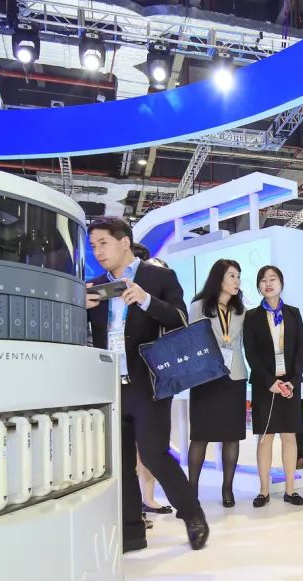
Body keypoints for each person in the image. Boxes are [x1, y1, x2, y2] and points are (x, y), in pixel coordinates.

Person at [84, 216, 208, 553]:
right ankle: (131, 532)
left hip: (148, 383)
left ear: (124, 241)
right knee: (120, 460)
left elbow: (180, 320)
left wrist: (145, 300)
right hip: (109, 385)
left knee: (154, 453)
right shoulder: (94, 286)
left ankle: (192, 513)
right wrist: (79, 307)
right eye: (93, 246)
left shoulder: (158, 277)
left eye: (103, 243)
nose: (98, 251)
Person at [243, 265, 303, 507]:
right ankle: (264, 491)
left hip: (289, 385)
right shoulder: (251, 317)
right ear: (258, 286)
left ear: (281, 283)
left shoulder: (294, 313)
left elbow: (300, 348)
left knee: (290, 436)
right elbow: (250, 353)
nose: (268, 283)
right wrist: (269, 382)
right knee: (265, 438)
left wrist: (294, 380)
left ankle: (290, 490)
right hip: (265, 385)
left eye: (273, 279)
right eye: (263, 280)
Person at [187, 259, 248, 509]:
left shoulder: (241, 310)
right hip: (206, 378)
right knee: (200, 436)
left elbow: (241, 343)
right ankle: (191, 492)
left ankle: (227, 488)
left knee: (232, 436)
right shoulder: (199, 306)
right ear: (218, 278)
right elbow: (191, 340)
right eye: (232, 276)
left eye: (238, 276)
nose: (237, 281)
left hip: (234, 377)